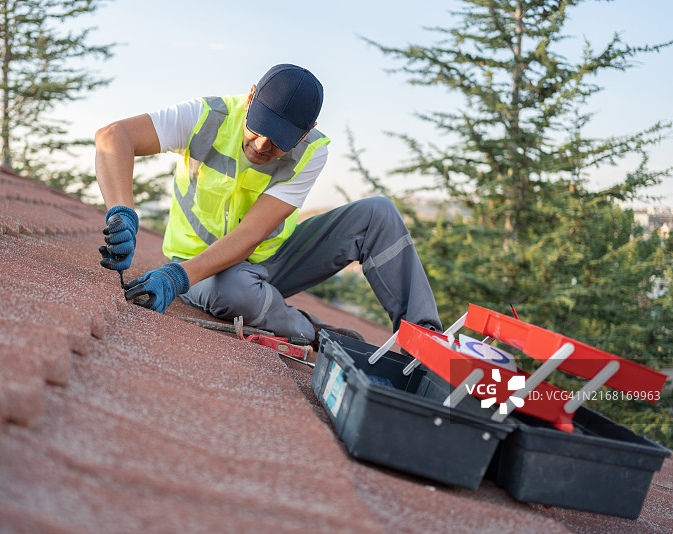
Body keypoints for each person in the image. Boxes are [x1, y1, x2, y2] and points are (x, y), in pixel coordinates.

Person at [95, 64, 442, 347]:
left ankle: (427, 342)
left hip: (269, 260)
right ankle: (313, 331)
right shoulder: (205, 116)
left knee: (378, 213)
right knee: (236, 292)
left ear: (307, 131)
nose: (261, 145)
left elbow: (251, 234)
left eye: (278, 140)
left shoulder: (312, 150)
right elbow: (113, 137)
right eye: (258, 128)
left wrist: (172, 279)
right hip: (201, 267)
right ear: (249, 99)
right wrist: (123, 212)